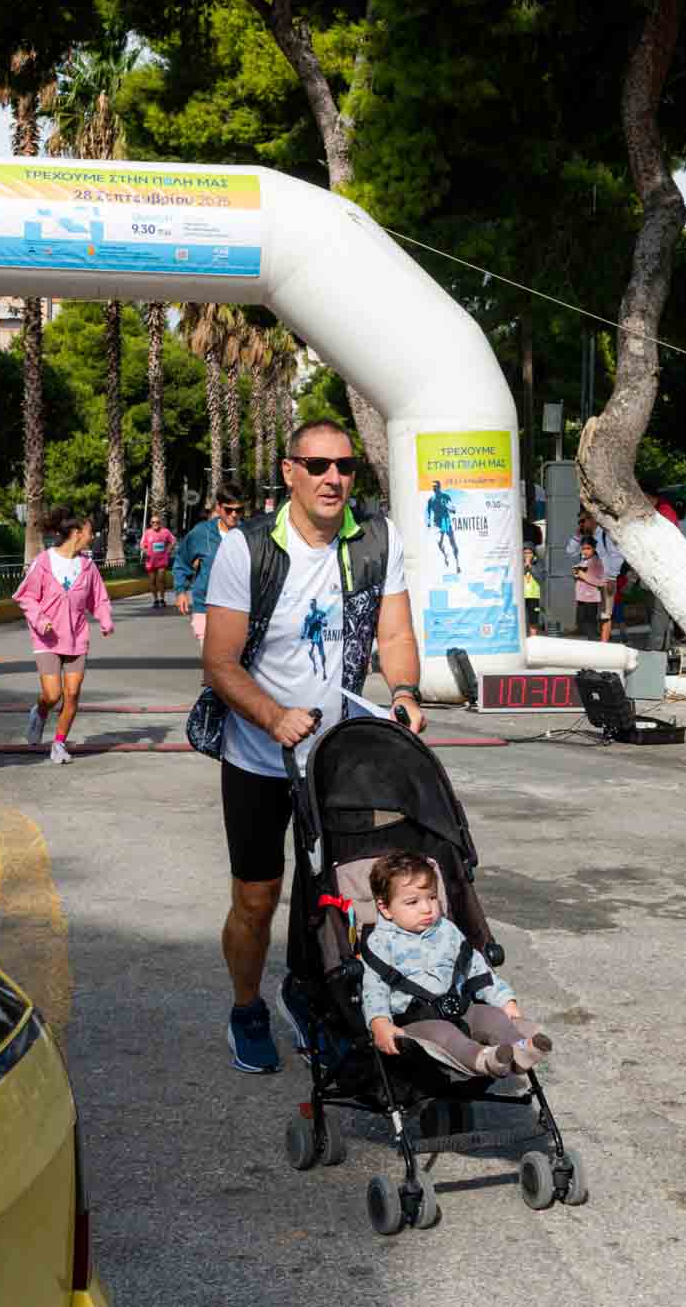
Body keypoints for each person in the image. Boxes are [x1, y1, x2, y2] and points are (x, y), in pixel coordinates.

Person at [203, 419, 426, 1075]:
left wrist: (405, 691)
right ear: (289, 471)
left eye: (345, 467)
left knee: (331, 893)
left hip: (337, 759)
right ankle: (247, 1007)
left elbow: (394, 634)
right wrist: (272, 716)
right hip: (258, 755)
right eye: (318, 465)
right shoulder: (247, 548)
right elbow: (219, 662)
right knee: (257, 897)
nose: (334, 479)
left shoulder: (377, 538)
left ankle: (311, 998)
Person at [361, 851, 552, 1077]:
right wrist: (380, 1023)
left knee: (492, 1017)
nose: (427, 908)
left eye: (432, 898)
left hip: (460, 1008)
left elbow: (477, 970)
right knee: (445, 1034)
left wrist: (505, 1001)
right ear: (385, 908)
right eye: (412, 902)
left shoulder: (447, 930)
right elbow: (374, 989)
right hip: (416, 1021)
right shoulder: (380, 943)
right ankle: (485, 1059)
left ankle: (521, 1046)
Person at [13, 506, 114, 765]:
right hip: (46, 639)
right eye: (90, 531)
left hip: (77, 637)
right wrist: (40, 620)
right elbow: (25, 596)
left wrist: (105, 619)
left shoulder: (88, 566)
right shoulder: (44, 562)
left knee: (72, 693)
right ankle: (40, 712)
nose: (92, 536)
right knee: (52, 694)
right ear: (77, 532)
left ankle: (58, 743)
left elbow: (99, 598)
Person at [173, 482, 244, 646]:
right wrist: (181, 591)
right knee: (212, 659)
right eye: (229, 510)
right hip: (205, 609)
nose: (234, 515)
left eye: (238, 510)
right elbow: (182, 561)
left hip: (239, 611)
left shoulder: (249, 533)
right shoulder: (201, 532)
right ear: (218, 507)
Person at [640, 480, 681, 651]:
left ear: (651, 496)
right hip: (654, 567)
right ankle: (662, 646)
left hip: (664, 568)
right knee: (656, 612)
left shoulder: (664, 512)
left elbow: (664, 541)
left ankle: (655, 648)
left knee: (660, 612)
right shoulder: (657, 511)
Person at [573, 535, 610, 640]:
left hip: (591, 598)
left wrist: (583, 576)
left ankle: (594, 642)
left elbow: (601, 582)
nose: (585, 551)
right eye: (583, 548)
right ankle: (591, 642)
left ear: (594, 548)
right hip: (581, 597)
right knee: (582, 623)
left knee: (590, 624)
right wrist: (576, 575)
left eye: (588, 548)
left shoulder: (597, 562)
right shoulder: (582, 561)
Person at [140, 513, 177, 609]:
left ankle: (162, 599)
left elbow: (173, 541)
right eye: (153, 522)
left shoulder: (165, 532)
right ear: (150, 523)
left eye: (157, 522)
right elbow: (142, 545)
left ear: (160, 523)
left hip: (162, 561)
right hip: (150, 561)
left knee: (161, 579)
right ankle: (155, 600)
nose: (155, 524)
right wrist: (145, 551)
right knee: (152, 581)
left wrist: (169, 549)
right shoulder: (147, 533)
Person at [426, 480, 460, 574]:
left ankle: (457, 564)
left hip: (446, 522)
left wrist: (448, 507)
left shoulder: (445, 497)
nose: (434, 488)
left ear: (439, 487)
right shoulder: (431, 500)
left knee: (452, 542)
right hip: (437, 523)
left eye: (436, 486)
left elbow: (453, 510)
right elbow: (428, 512)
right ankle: (445, 556)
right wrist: (428, 522)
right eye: (433, 486)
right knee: (439, 543)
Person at [523, 542, 542, 636]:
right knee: (522, 619)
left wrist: (530, 566)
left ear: (534, 554)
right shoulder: (518, 564)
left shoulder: (538, 563)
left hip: (534, 596)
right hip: (521, 596)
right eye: (525, 553)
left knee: (533, 620)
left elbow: (540, 577)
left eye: (529, 553)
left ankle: (533, 638)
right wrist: (524, 567)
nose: (527, 555)